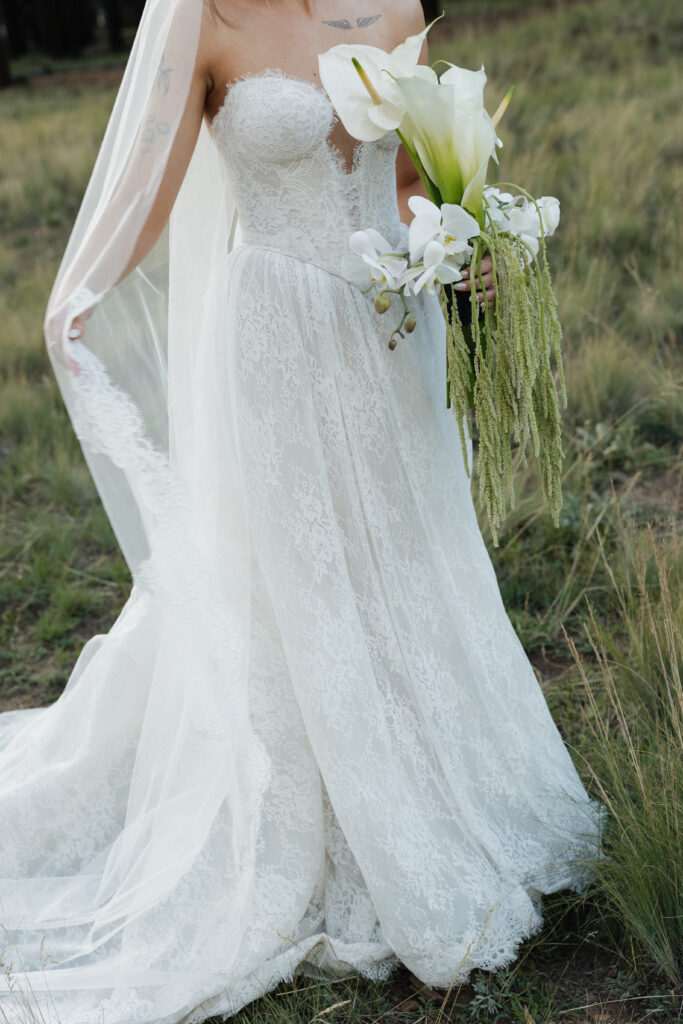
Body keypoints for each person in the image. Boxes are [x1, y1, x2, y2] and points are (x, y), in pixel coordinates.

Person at [0, 2, 606, 1023]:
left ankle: (436, 786)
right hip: (275, 334)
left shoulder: (394, 8)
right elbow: (148, 180)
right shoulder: (210, 19)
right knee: (302, 579)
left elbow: (413, 180)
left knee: (410, 562)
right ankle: (329, 815)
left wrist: (465, 246)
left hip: (385, 330)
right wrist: (82, 292)